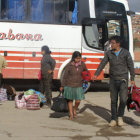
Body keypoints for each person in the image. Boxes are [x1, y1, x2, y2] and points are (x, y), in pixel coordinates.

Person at [93, 36, 135, 127]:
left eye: (112, 43)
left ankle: (120, 116)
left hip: (123, 80)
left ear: (118, 44)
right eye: (110, 43)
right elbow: (102, 63)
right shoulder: (109, 53)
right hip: (113, 80)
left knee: (123, 100)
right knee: (113, 100)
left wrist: (132, 78)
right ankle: (113, 118)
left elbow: (131, 66)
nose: (111, 45)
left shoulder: (126, 53)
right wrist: (96, 74)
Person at [60, 51, 88, 120]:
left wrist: (86, 78)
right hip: (69, 85)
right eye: (77, 58)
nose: (78, 60)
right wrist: (62, 85)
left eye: (79, 58)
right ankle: (71, 114)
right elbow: (65, 76)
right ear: (73, 58)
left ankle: (74, 109)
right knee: (70, 101)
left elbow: (86, 72)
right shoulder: (69, 65)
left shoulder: (83, 64)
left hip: (79, 85)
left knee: (78, 100)